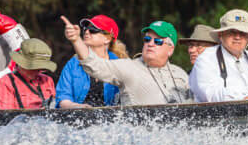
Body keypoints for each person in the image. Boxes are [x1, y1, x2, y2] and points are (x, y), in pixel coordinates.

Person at [62, 17, 192, 105]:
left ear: (170, 50)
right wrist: (76, 40)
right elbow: (95, 65)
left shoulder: (181, 74)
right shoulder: (128, 67)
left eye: (157, 41)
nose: (151, 44)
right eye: (147, 40)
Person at [55, 14, 123, 108]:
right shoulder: (73, 63)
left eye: (93, 30)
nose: (86, 32)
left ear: (107, 39)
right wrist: (77, 107)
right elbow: (62, 97)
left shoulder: (119, 65)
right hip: (77, 117)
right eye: (85, 29)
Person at [0, 38, 56, 110]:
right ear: (20, 63)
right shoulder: (5, 83)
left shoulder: (48, 80)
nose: (37, 71)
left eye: (40, 68)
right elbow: (7, 117)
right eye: (33, 68)